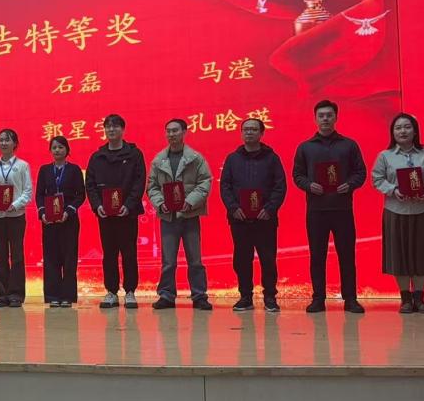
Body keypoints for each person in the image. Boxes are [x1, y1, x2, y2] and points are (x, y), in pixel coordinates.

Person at [292, 99, 367, 314]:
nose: (325, 119)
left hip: (342, 209)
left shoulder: (349, 145)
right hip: (316, 210)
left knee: (347, 255)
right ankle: (318, 299)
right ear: (315, 119)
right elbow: (297, 175)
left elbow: (360, 172)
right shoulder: (306, 147)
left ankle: (350, 299)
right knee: (317, 255)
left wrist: (349, 184)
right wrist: (309, 185)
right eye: (321, 115)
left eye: (329, 115)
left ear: (336, 117)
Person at [371, 113, 424, 314]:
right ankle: (405, 299)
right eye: (398, 128)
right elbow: (377, 179)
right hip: (395, 210)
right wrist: (393, 190)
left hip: (422, 210)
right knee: (399, 254)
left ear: (415, 131)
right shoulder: (385, 156)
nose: (402, 131)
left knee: (421, 252)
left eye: (407, 127)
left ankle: (419, 299)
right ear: (392, 133)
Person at [220, 118, 287, 312]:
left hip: (265, 219)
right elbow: (225, 186)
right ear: (241, 133)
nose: (249, 132)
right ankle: (245, 297)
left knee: (268, 259)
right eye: (246, 129)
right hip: (239, 219)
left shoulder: (272, 158)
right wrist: (233, 208)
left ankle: (270, 297)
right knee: (242, 259)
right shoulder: (233, 158)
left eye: (253, 129)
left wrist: (270, 208)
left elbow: (280, 186)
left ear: (261, 133)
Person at [146, 118, 213, 310]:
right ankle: (166, 295)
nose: (171, 134)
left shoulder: (195, 158)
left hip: (190, 216)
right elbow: (152, 186)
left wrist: (190, 201)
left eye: (175, 130)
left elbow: (205, 182)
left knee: (195, 260)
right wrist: (160, 203)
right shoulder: (159, 160)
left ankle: (199, 295)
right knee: (168, 261)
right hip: (168, 218)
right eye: (168, 131)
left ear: (184, 132)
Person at [85, 113, 147, 309]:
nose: (111, 130)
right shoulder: (97, 157)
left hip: (127, 213)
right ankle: (111, 291)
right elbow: (90, 185)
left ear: (123, 129)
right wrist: (97, 205)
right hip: (105, 215)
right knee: (109, 253)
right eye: (108, 126)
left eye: (115, 126)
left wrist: (128, 205)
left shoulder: (134, 154)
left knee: (129, 253)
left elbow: (139, 182)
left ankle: (130, 291)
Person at [0, 129, 33, 308]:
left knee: (17, 255)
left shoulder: (22, 165)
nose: (3, 143)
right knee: (1, 255)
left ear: (15, 144)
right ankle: (3, 294)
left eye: (7, 140)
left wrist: (15, 205)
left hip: (16, 215)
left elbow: (27, 191)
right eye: (1, 140)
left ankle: (16, 294)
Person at [35, 136, 85, 307]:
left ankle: (68, 296)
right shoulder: (44, 170)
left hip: (68, 220)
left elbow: (80, 195)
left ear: (67, 150)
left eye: (61, 147)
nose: (57, 150)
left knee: (69, 257)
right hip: (49, 221)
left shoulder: (74, 170)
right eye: (54, 147)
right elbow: (39, 194)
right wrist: (42, 212)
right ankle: (53, 296)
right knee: (51, 258)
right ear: (50, 150)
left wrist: (69, 211)